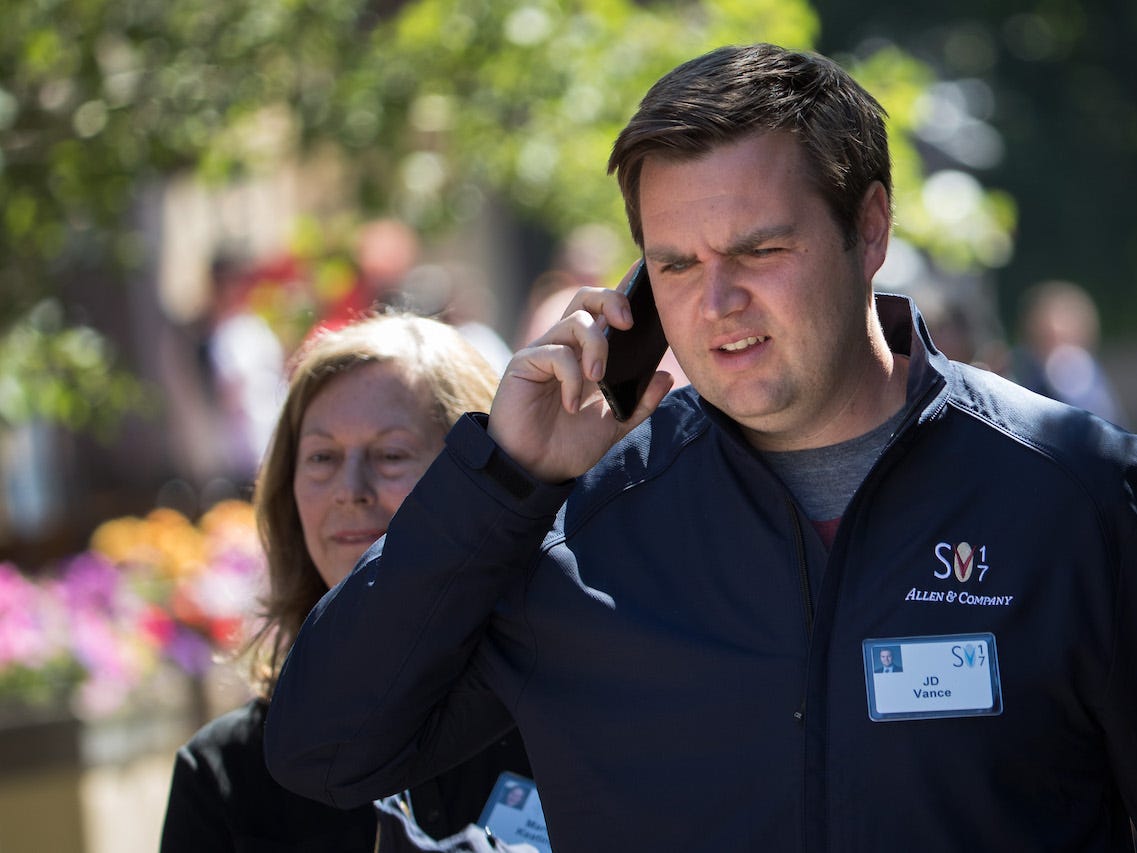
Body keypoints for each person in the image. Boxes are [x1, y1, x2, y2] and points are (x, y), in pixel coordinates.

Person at [265, 43, 1137, 851]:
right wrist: (504, 477)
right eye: (676, 264)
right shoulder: (576, 524)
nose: (717, 302)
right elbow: (326, 751)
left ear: (869, 229)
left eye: (759, 249)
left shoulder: (1076, 495)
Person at [159, 313, 531, 852]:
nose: (349, 489)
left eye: (391, 455)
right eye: (322, 458)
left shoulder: (564, 714)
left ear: (478, 484)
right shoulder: (225, 773)